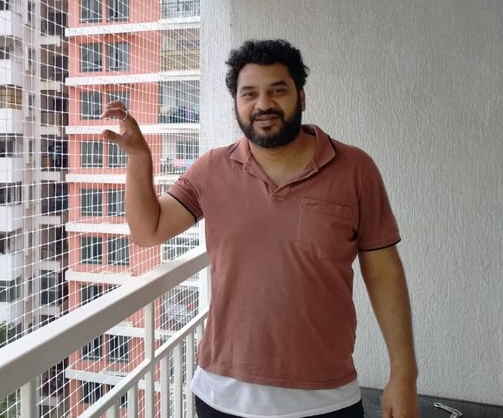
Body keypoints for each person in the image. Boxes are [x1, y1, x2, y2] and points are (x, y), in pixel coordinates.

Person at [101, 39, 418, 418]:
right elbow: (148, 231)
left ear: (301, 97)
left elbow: (383, 272)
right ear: (236, 104)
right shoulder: (211, 169)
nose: (263, 104)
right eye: (248, 93)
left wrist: (404, 372)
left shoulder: (354, 169)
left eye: (277, 91)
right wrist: (139, 157)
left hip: (326, 398)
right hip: (222, 396)